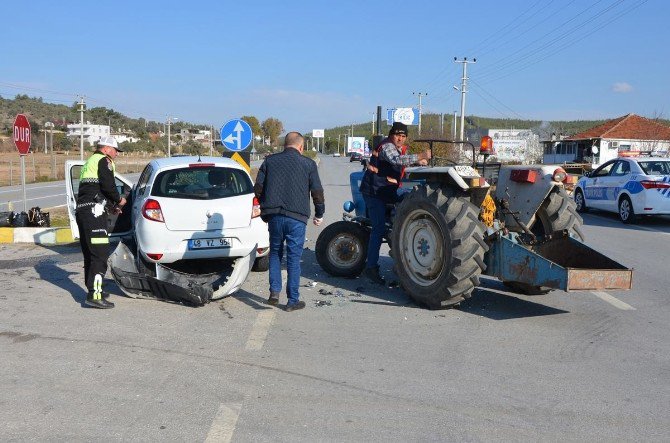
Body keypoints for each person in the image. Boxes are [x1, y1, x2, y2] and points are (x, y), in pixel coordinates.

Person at [254, 132, 325, 312]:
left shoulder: (270, 161)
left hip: (275, 216)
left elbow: (258, 188)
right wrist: (319, 214)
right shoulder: (308, 164)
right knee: (293, 258)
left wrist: (262, 206)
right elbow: (317, 191)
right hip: (297, 218)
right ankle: (293, 301)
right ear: (301, 147)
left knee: (276, 253)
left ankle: (274, 293)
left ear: (284, 145)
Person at [359, 122, 431, 285]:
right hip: (375, 193)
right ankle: (371, 268)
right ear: (391, 135)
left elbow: (400, 161)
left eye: (403, 136)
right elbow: (396, 160)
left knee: (410, 198)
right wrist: (420, 156)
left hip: (386, 190)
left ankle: (402, 239)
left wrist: (416, 162)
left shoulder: (398, 148)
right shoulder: (386, 146)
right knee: (378, 228)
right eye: (397, 135)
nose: (400, 138)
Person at [75, 136, 127, 309]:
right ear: (106, 149)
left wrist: (110, 206)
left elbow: (95, 189)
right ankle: (94, 296)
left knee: (90, 254)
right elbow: (108, 186)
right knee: (100, 255)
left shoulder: (90, 161)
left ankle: (94, 289)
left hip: (84, 211)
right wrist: (119, 200)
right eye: (115, 151)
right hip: (94, 214)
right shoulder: (104, 161)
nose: (116, 154)